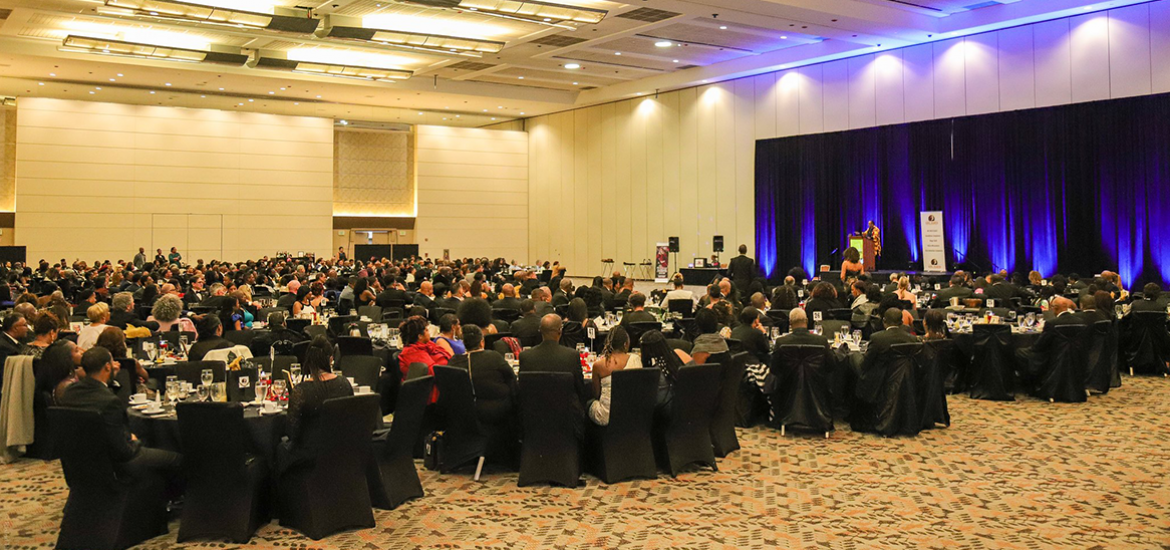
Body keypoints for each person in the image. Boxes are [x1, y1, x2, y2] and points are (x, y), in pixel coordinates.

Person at [59, 347, 182, 483]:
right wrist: (135, 441)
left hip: (80, 461)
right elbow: (124, 452)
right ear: (107, 367)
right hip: (115, 464)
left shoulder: (69, 393)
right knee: (177, 459)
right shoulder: (109, 401)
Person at [280, 335, 354, 469]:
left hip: (308, 456)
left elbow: (291, 431)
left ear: (308, 361)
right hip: (342, 450)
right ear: (331, 359)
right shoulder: (344, 384)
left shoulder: (301, 391)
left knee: (279, 448)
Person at [447, 325, 518, 463]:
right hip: (493, 411)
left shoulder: (454, 361)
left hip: (462, 413)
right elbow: (511, 380)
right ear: (481, 342)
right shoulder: (493, 357)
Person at [519, 314, 589, 411]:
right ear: (560, 331)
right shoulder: (572, 356)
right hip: (567, 416)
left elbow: (522, 392)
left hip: (534, 415)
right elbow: (580, 390)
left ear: (540, 331)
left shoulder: (525, 356)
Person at [587, 326, 641, 426]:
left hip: (607, 417)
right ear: (625, 344)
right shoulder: (636, 359)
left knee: (588, 403)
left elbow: (596, 394)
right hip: (632, 414)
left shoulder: (599, 365)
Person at [397, 315, 451, 401]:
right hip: (426, 396)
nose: (429, 333)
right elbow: (434, 372)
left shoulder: (428, 345)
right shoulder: (412, 352)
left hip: (440, 386)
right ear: (420, 336)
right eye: (426, 330)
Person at [37, 339, 83, 404]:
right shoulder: (66, 386)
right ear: (66, 357)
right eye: (77, 351)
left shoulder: (70, 374)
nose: (81, 352)